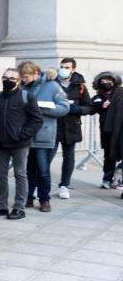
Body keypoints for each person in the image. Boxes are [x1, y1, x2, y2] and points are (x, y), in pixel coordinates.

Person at [0, 67, 43, 220]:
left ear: (18, 81)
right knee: (0, 174)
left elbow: (36, 120)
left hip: (20, 144)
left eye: (11, 78)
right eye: (5, 78)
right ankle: (2, 205)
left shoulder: (27, 97)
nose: (7, 81)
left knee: (20, 174)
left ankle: (19, 207)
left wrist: (22, 135)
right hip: (0, 144)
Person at [18, 62, 69, 212]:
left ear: (35, 73)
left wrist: (41, 109)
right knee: (27, 170)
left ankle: (44, 199)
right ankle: (28, 197)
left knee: (43, 170)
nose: (23, 80)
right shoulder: (21, 87)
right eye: (22, 77)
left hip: (43, 134)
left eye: (26, 77)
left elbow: (64, 108)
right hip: (26, 135)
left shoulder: (52, 86)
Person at [54, 58, 92, 198]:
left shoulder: (79, 85)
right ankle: (40, 184)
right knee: (46, 156)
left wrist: (74, 108)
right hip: (54, 125)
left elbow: (89, 107)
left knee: (68, 157)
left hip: (71, 126)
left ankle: (64, 185)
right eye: (62, 66)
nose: (63, 69)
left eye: (67, 67)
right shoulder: (52, 82)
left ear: (73, 69)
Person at [91, 72, 123, 189]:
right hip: (106, 130)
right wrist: (102, 106)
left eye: (108, 80)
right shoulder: (98, 97)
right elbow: (91, 108)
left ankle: (119, 177)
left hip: (119, 129)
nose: (105, 83)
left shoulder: (119, 93)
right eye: (103, 81)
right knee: (109, 155)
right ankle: (107, 179)